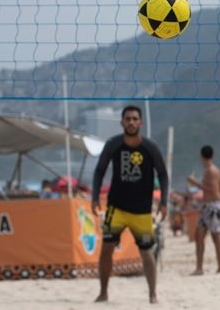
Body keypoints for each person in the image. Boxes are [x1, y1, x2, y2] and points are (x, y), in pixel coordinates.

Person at [91, 105, 168, 304]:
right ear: (122, 122)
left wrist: (164, 202)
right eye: (128, 119)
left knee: (147, 252)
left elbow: (162, 174)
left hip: (141, 211)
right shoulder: (113, 144)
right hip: (115, 208)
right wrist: (94, 197)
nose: (131, 122)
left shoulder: (150, 147)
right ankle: (103, 292)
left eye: (135, 119)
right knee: (106, 249)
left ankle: (152, 294)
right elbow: (99, 171)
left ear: (140, 123)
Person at [187, 145, 220, 275]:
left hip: (213, 206)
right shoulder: (215, 170)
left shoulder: (210, 171)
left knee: (215, 237)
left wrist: (195, 183)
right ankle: (200, 268)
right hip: (211, 206)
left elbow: (213, 190)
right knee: (199, 236)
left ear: (201, 156)